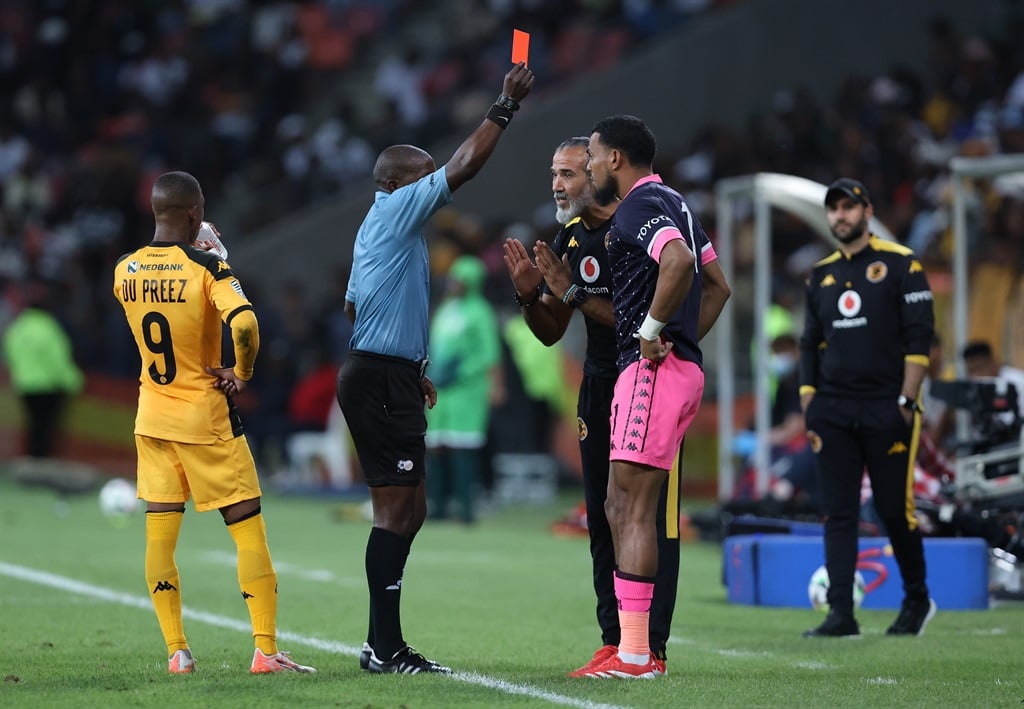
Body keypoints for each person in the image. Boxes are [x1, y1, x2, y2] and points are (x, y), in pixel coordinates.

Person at [336, 61, 534, 675]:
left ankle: (379, 641)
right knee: (397, 511)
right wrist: (504, 104)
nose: (435, 188)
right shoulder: (396, 212)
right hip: (378, 377)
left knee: (412, 509)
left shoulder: (386, 228)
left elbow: (351, 304)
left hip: (386, 371)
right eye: (424, 178)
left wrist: (407, 357)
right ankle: (387, 648)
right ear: (399, 183)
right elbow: (464, 166)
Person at [112, 171, 316, 676]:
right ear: (195, 213)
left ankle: (177, 652)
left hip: (152, 418)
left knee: (159, 538)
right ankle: (266, 650)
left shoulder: (123, 270)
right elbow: (243, 323)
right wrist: (241, 372)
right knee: (247, 531)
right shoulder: (208, 267)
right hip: (204, 419)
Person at [503, 136, 686, 677]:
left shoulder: (636, 224)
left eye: (567, 174)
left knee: (652, 517)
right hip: (599, 385)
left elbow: (641, 318)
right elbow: (552, 332)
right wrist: (530, 295)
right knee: (603, 520)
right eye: (552, 173)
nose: (556, 185)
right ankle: (614, 640)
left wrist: (574, 295)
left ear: (599, 172)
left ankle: (652, 644)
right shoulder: (571, 236)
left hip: (648, 378)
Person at [574, 115, 730, 678]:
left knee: (631, 509)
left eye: (592, 155)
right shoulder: (677, 204)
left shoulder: (638, 207)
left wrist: (649, 335)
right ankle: (631, 650)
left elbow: (679, 264)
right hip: (674, 372)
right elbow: (718, 286)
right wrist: (683, 343)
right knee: (624, 506)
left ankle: (637, 653)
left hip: (650, 374)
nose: (589, 165)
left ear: (616, 158)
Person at [799, 177, 937, 638]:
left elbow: (921, 338)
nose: (840, 215)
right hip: (833, 409)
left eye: (848, 207)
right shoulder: (819, 275)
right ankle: (841, 614)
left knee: (894, 509)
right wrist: (809, 401)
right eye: (833, 209)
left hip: (886, 406)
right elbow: (808, 344)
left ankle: (917, 600)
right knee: (838, 513)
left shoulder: (901, 264)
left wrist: (906, 400)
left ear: (866, 210)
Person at [426, 254, 502, 523]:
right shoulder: (446, 309)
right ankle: (436, 507)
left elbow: (489, 352)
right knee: (436, 444)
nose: (454, 283)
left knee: (463, 446)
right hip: (440, 389)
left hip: (467, 389)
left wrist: (469, 372)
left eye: (460, 279)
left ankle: (466, 509)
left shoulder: (479, 311)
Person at [2, 278, 84, 458]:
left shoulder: (17, 328)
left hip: (24, 386)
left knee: (34, 427)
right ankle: (40, 464)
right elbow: (59, 361)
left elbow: (9, 353)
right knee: (45, 430)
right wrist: (75, 382)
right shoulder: (49, 328)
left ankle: (33, 462)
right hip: (48, 387)